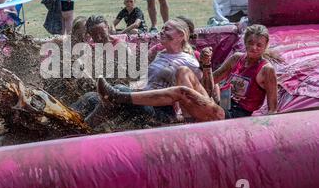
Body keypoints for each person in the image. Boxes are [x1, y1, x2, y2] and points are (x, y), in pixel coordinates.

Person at [94, 24, 278, 123]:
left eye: (259, 45)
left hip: (231, 117)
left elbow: (272, 109)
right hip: (218, 104)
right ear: (245, 42)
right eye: (250, 43)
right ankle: (186, 116)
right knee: (183, 71)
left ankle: (120, 95)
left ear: (266, 45)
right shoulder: (237, 58)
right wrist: (206, 65)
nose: (254, 48)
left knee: (182, 91)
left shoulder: (266, 69)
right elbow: (210, 83)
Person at [81, 19, 202, 127]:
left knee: (117, 91)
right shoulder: (161, 54)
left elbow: (198, 90)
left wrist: (184, 118)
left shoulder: (188, 61)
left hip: (161, 112)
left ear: (181, 35)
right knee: (91, 97)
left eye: (167, 29)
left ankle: (84, 128)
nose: (161, 32)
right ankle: (68, 120)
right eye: (161, 29)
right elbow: (146, 82)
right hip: (143, 100)